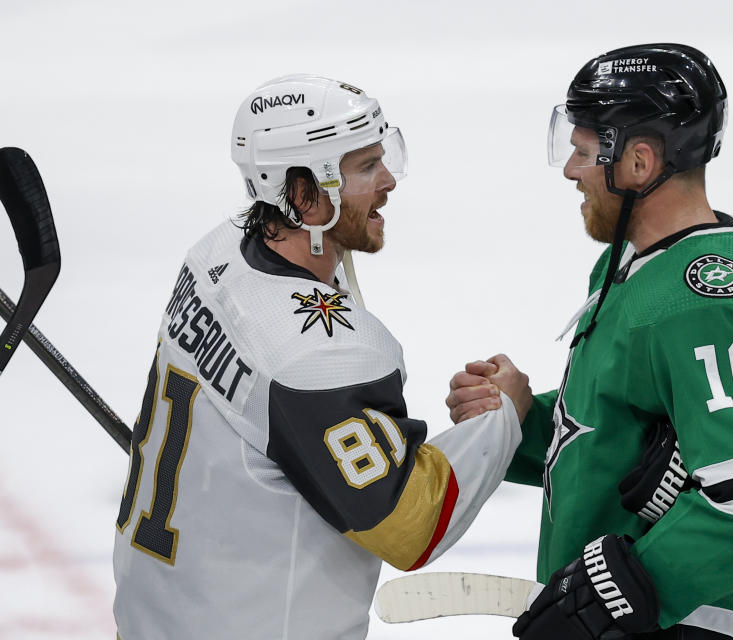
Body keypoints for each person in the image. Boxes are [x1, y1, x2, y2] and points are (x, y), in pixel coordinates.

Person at [112, 74, 529, 639]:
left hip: (156, 616)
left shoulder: (216, 253)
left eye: (385, 158)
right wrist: (502, 418)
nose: (387, 182)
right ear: (304, 195)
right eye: (363, 168)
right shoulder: (319, 358)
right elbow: (411, 526)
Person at [447, 44, 733, 639]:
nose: (571, 169)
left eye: (585, 151)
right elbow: (626, 447)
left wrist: (617, 597)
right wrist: (522, 422)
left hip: (695, 625)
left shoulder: (704, 300)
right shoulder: (640, 265)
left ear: (639, 162)